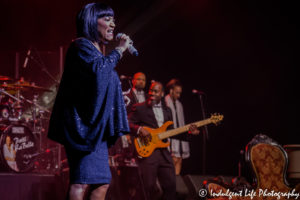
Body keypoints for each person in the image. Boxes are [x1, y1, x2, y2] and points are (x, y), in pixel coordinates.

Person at [48, 3, 131, 200]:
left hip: (96, 129)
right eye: (107, 19)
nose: (113, 23)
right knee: (80, 181)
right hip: (83, 128)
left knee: (102, 183)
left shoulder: (96, 49)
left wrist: (117, 98)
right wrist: (119, 50)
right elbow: (99, 71)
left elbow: (97, 84)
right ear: (92, 22)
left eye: (113, 19)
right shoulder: (81, 45)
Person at [128, 81, 199, 200]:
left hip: (164, 153)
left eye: (155, 91)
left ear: (161, 93)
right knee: (147, 187)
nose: (151, 93)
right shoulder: (140, 108)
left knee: (171, 186)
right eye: (150, 90)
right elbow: (126, 123)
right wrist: (139, 129)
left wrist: (189, 132)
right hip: (148, 152)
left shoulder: (168, 111)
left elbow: (171, 132)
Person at [165, 79, 199, 175]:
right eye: (177, 93)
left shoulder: (179, 105)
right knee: (172, 160)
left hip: (180, 138)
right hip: (169, 138)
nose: (178, 95)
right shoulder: (165, 102)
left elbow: (182, 123)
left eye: (180, 93)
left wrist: (190, 131)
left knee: (179, 160)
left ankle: (176, 186)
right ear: (171, 90)